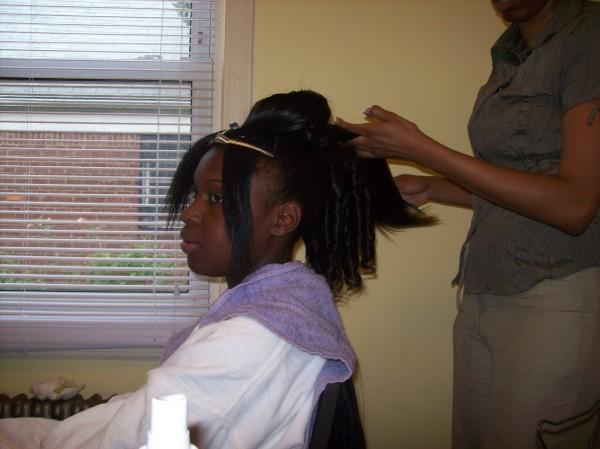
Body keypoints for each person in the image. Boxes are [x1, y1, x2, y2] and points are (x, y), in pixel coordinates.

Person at [0, 90, 432, 449]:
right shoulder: (278, 313)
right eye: (196, 195)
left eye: (217, 198)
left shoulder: (251, 339)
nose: (189, 212)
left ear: (282, 218)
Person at [336, 1, 600, 448]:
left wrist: (421, 149)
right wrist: (432, 187)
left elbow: (574, 205)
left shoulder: (588, 36)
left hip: (555, 295)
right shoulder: (508, 53)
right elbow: (520, 188)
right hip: (482, 289)